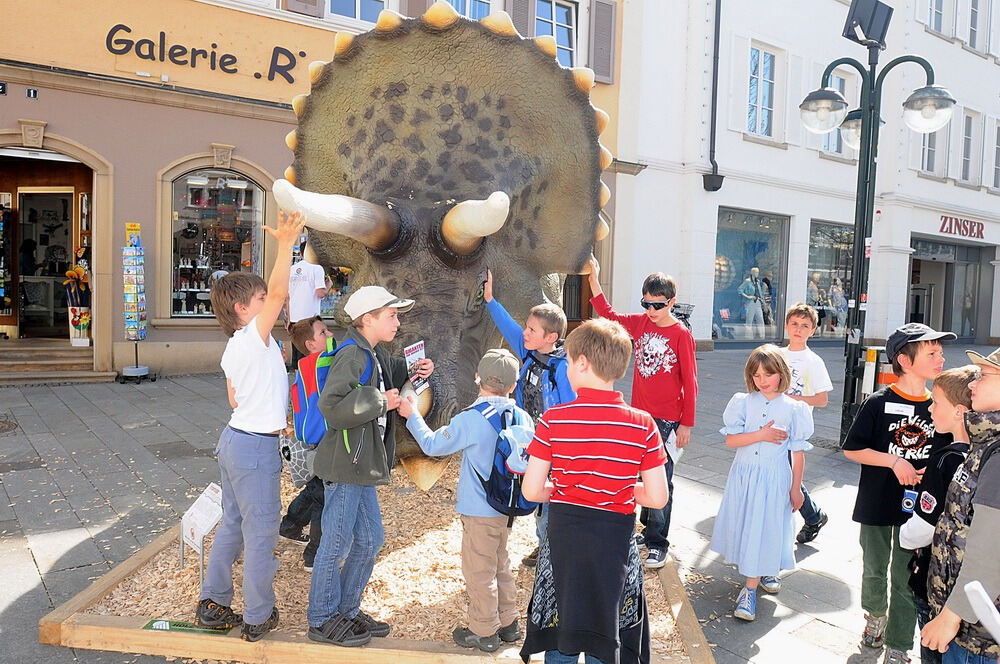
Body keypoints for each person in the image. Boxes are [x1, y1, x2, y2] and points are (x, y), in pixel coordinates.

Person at [519, 318, 669, 664]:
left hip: (565, 541)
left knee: (562, 629)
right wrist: (623, 487)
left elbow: (532, 488)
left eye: (569, 361)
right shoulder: (643, 424)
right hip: (613, 543)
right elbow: (657, 497)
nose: (568, 368)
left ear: (583, 362)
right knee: (607, 628)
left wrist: (562, 486)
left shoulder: (553, 420)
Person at [195, 210, 305, 641]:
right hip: (255, 449)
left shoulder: (236, 347)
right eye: (261, 302)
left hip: (234, 440)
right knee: (261, 535)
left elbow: (234, 398)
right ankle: (258, 616)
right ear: (243, 309)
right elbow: (278, 290)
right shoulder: (253, 337)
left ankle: (214, 601)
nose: (270, 305)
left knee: (234, 523)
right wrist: (287, 244)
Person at [307, 285, 434, 647]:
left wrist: (415, 368)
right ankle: (321, 618)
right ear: (368, 319)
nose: (397, 321)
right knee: (335, 543)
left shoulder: (371, 352)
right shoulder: (353, 355)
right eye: (391, 315)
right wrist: (381, 400)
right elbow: (332, 405)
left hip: (360, 465)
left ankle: (345, 610)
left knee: (369, 539)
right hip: (347, 465)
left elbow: (388, 372)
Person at [399, 348, 533, 653]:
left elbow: (434, 445)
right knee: (500, 562)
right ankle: (509, 622)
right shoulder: (523, 417)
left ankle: (483, 630)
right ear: (513, 385)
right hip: (507, 507)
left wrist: (414, 416)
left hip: (479, 509)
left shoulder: (471, 418)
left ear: (478, 379)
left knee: (478, 571)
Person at [842, 322, 956, 664]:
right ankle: (875, 617)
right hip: (876, 504)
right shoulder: (878, 402)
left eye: (940, 352)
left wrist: (931, 471)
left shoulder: (940, 405)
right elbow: (853, 449)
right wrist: (894, 462)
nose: (940, 358)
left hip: (919, 510)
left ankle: (899, 644)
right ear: (904, 361)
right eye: (931, 353)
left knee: (908, 576)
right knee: (874, 567)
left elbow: (948, 451)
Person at [588, 257, 698, 569]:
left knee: (661, 479)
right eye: (646, 304)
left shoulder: (682, 336)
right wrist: (594, 277)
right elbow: (608, 314)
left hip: (667, 421)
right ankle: (643, 532)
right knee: (637, 474)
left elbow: (690, 382)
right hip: (638, 416)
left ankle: (657, 541)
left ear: (672, 303)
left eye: (658, 305)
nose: (651, 311)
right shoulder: (640, 323)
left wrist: (686, 424)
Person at [710, 344, 813, 621]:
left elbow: (798, 453)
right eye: (756, 375)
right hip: (745, 475)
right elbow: (731, 440)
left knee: (767, 525)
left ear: (781, 373)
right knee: (751, 525)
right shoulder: (743, 402)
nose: (762, 380)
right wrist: (760, 435)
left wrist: (795, 488)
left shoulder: (794, 409)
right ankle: (759, 573)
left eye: (768, 374)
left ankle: (751, 587)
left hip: (774, 477)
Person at [482, 268, 575, 566]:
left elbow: (573, 410)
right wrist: (490, 299)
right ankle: (545, 545)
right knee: (536, 500)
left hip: (557, 448)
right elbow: (507, 326)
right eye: (527, 327)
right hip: (534, 443)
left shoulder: (562, 369)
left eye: (532, 330)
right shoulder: (528, 351)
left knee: (550, 502)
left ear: (551, 337)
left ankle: (552, 552)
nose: (524, 333)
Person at [921, 348, 1000, 664]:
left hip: (976, 638)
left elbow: (990, 549)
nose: (972, 384)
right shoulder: (989, 443)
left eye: (984, 376)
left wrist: (952, 615)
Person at [899, 367, 976, 664]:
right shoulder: (984, 453)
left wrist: (904, 532)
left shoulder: (946, 459)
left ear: (959, 412)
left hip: (937, 581)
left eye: (936, 402)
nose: (930, 407)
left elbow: (920, 529)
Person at [279, 315, 335, 571]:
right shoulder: (319, 364)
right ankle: (314, 555)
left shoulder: (304, 367)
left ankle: (290, 526)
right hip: (322, 441)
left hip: (310, 440)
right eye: (323, 332)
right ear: (311, 344)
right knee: (323, 497)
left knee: (315, 489)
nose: (331, 335)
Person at [780, 304, 833, 552]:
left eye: (805, 326)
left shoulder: (814, 361)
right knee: (783, 472)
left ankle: (812, 515)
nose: (798, 330)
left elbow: (822, 399)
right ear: (786, 325)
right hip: (773, 422)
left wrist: (795, 399)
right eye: (794, 324)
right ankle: (813, 515)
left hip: (796, 428)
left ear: (813, 330)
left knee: (788, 473)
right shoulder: (776, 355)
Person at [286, 247, 331, 364]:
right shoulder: (317, 268)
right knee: (310, 355)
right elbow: (320, 293)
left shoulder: (292, 269)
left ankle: (298, 377)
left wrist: (289, 319)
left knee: (298, 353)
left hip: (295, 318)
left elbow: (288, 296)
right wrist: (329, 286)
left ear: (301, 253)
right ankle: (309, 379)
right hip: (310, 320)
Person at [737, 267, 766, 339]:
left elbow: (759, 292)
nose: (757, 274)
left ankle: (762, 336)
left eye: (758, 272)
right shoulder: (747, 281)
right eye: (756, 272)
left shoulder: (757, 282)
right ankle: (749, 337)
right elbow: (740, 290)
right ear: (752, 273)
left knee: (760, 319)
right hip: (750, 302)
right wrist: (748, 296)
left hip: (758, 302)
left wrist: (762, 298)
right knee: (749, 320)